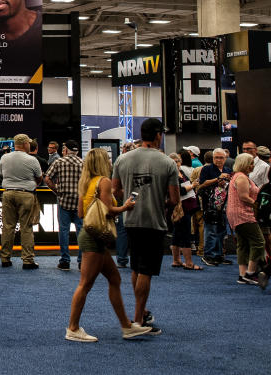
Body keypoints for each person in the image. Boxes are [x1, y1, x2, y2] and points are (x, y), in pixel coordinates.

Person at [64, 148, 151, 342]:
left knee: (115, 279)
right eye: (108, 159)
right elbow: (108, 210)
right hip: (94, 239)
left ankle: (126, 326)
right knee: (85, 284)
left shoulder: (85, 182)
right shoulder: (103, 181)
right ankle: (73, 328)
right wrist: (125, 207)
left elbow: (80, 213)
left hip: (89, 235)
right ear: (103, 162)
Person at [112, 118, 179, 335]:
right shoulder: (167, 162)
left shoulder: (123, 159)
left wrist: (132, 200)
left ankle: (141, 311)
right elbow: (175, 198)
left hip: (130, 220)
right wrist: (159, 202)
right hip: (153, 221)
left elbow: (116, 190)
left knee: (136, 267)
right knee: (146, 271)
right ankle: (138, 320)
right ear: (158, 135)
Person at [0, 134, 43, 269]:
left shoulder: (4, 157)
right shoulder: (32, 159)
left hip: (8, 193)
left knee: (7, 227)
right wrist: (31, 184)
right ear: (24, 144)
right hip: (26, 194)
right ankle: (27, 260)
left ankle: (5, 258)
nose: (30, 145)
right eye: (29, 143)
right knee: (26, 228)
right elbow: (39, 178)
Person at [227, 153, 269, 287]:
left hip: (236, 215)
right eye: (250, 163)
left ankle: (243, 274)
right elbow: (244, 197)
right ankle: (251, 273)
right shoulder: (242, 177)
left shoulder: (237, 176)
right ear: (244, 164)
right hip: (243, 215)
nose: (252, 166)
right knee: (259, 242)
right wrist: (258, 205)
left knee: (243, 244)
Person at [45, 140, 83, 271]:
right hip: (79, 202)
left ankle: (65, 261)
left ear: (66, 150)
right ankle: (81, 261)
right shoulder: (83, 163)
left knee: (64, 231)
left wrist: (56, 191)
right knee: (81, 231)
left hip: (63, 200)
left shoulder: (59, 162)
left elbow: (47, 178)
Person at [198, 148, 232, 267]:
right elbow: (202, 184)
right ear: (212, 158)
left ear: (225, 158)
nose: (218, 160)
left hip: (224, 205)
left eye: (221, 157)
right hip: (210, 205)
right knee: (211, 230)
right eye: (216, 157)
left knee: (221, 231)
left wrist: (227, 181)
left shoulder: (228, 169)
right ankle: (208, 255)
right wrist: (218, 179)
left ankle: (218, 255)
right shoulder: (207, 169)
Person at [168, 152, 201, 271]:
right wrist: (191, 186)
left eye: (178, 161)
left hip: (186, 206)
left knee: (177, 233)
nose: (177, 163)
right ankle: (189, 263)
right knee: (185, 233)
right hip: (179, 207)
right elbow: (178, 191)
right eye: (174, 161)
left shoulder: (180, 172)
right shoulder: (171, 174)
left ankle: (176, 260)